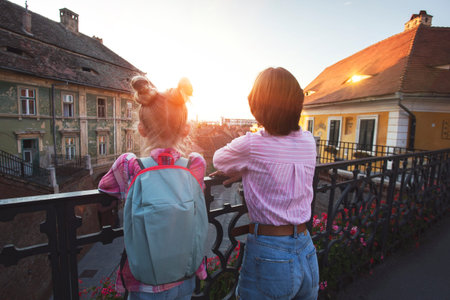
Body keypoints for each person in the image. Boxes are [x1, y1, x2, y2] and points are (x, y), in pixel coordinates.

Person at [212, 67, 319, 300]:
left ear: (258, 106)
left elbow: (219, 159)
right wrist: (254, 170)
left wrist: (246, 169)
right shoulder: (309, 141)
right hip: (306, 248)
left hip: (271, 253)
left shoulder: (252, 145)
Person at [98, 75, 207, 300]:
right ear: (186, 129)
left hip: (144, 284)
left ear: (141, 129)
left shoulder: (130, 165)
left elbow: (105, 186)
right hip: (185, 277)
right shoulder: (194, 164)